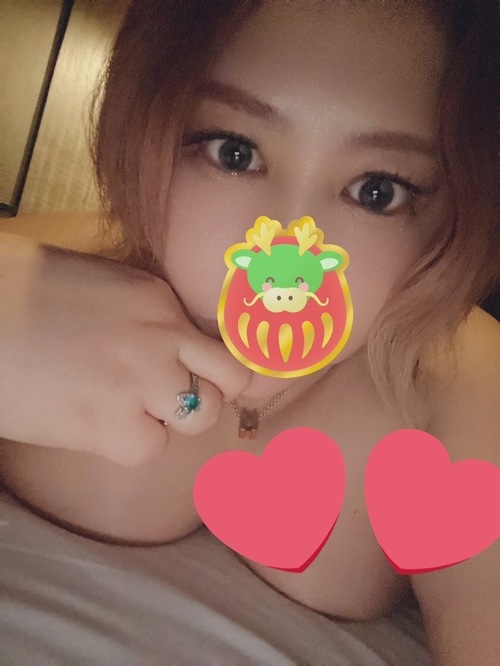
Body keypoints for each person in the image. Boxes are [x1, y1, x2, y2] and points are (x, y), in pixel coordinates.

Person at [1, 1, 498, 663]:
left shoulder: (457, 379)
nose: (288, 243)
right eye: (235, 153)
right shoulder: (61, 274)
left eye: (377, 191)